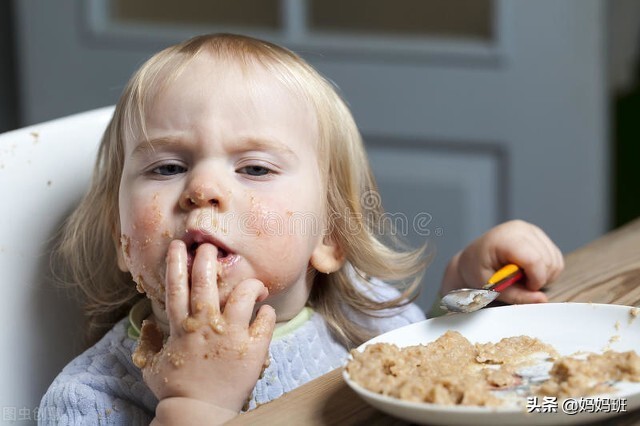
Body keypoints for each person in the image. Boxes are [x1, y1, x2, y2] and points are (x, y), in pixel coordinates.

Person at [39, 33, 563, 425]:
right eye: (167, 168)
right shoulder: (89, 399)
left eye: (255, 169)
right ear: (121, 238)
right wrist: (194, 405)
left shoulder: (358, 314)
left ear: (329, 237)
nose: (202, 188)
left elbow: (422, 377)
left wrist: (472, 294)